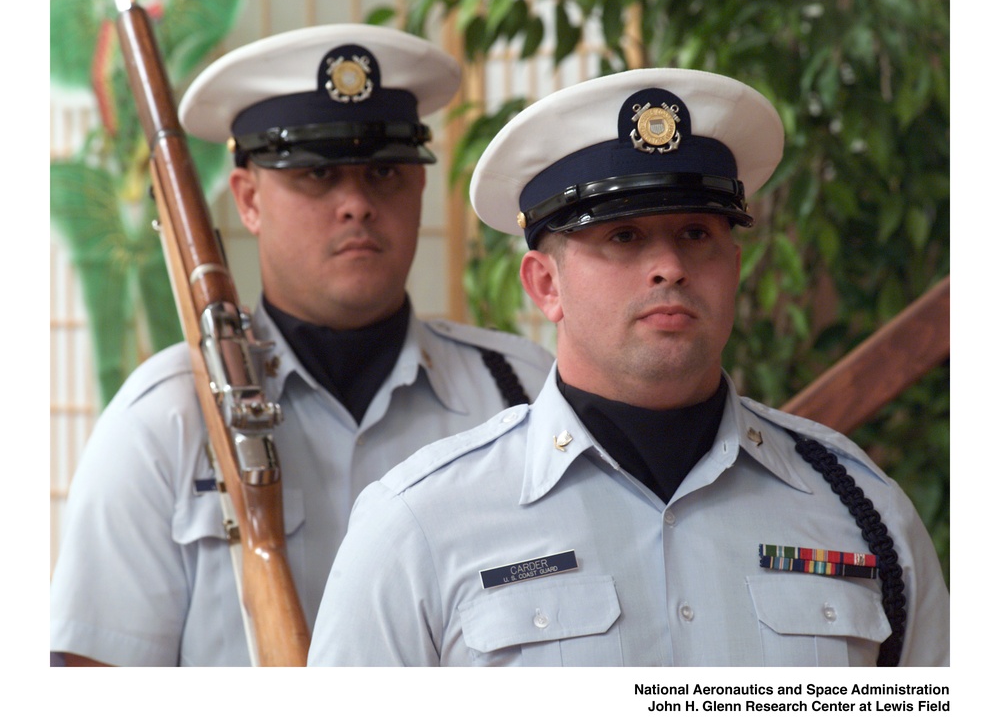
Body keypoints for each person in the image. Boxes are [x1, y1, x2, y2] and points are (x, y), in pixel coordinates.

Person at [307, 67, 949, 667]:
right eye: (624, 237)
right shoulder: (421, 524)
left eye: (697, 234)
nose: (669, 266)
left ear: (736, 266)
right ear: (544, 285)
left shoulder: (861, 510)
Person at [49, 24, 554, 666]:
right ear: (249, 199)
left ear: (420, 187)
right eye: (316, 174)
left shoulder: (522, 395)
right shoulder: (164, 422)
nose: (356, 204)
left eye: (384, 172)